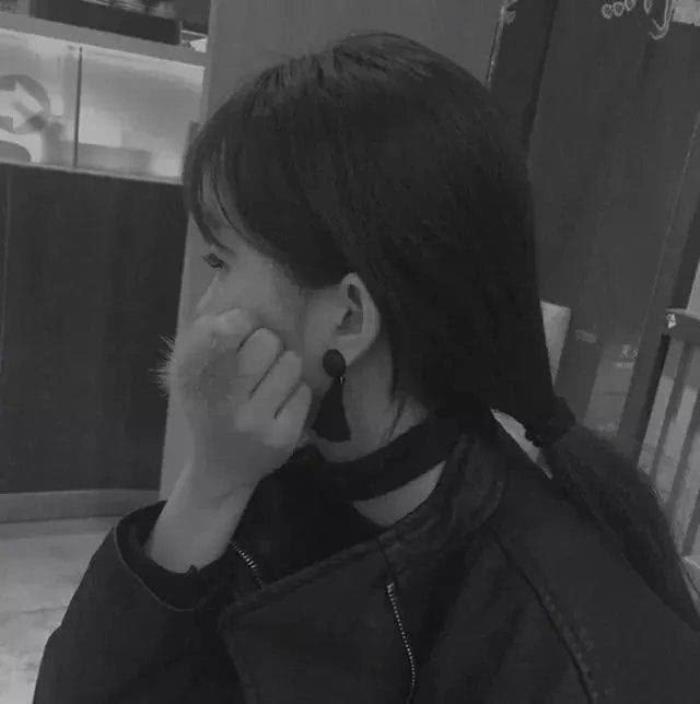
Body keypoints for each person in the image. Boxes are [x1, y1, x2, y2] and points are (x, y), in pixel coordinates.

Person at [33, 31, 700, 703]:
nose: (205, 308)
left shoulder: (570, 650)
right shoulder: (270, 491)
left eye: (221, 263)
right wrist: (209, 485)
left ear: (349, 318)